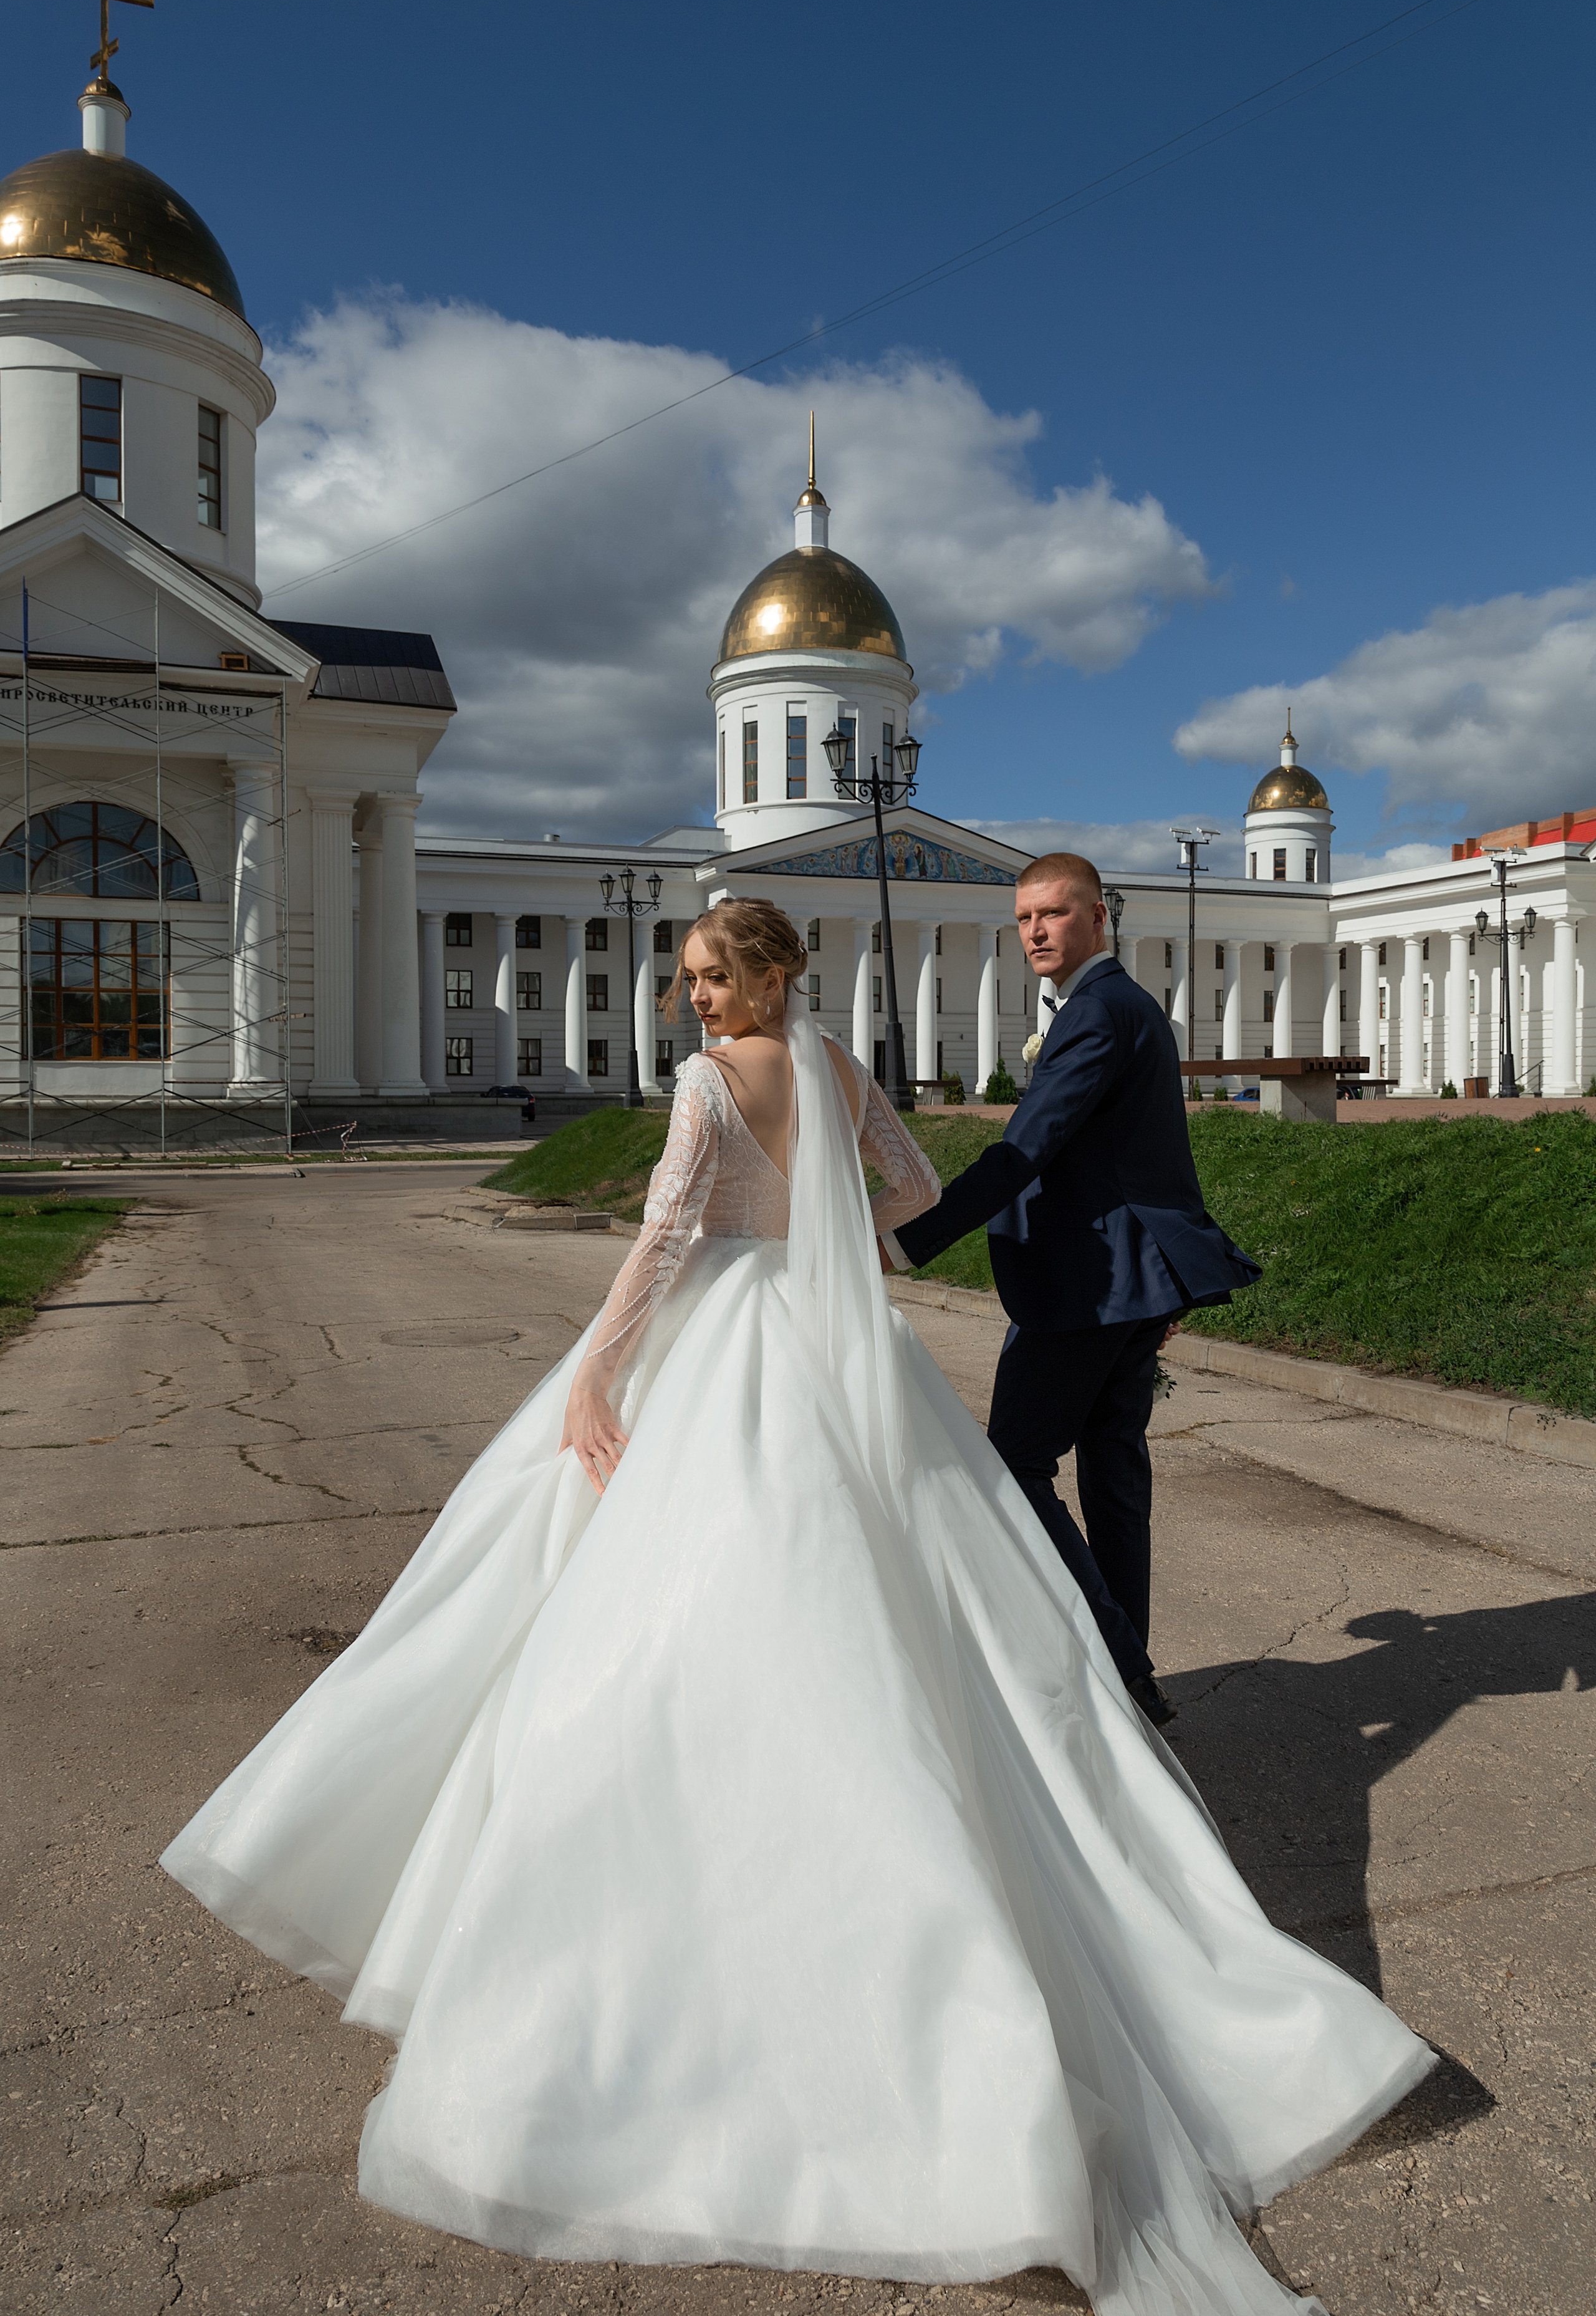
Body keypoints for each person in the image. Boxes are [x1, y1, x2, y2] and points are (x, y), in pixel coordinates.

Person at [161, 897, 1431, 2316]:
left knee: (654, 1617)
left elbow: (662, 1237)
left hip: (716, 1343)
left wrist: (595, 1373)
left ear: (773, 973)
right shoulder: (834, 1066)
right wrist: (824, 1243)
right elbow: (909, 1192)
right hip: (834, 1345)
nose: (697, 997)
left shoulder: (710, 1085)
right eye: (689, 978)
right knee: (899, 1611)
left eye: (718, 975)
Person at [885, 852, 1260, 1727]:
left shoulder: (1095, 1013)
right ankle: (1131, 1679)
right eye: (1024, 919)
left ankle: (1121, 1667)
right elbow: (1147, 1155)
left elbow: (1024, 1151)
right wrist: (1166, 1279)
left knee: (1015, 1466)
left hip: (1089, 1290)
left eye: (1053, 913)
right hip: (1129, 1283)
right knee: (1113, 1472)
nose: (1035, 932)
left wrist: (904, 1243)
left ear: (1099, 917)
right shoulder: (1126, 1006)